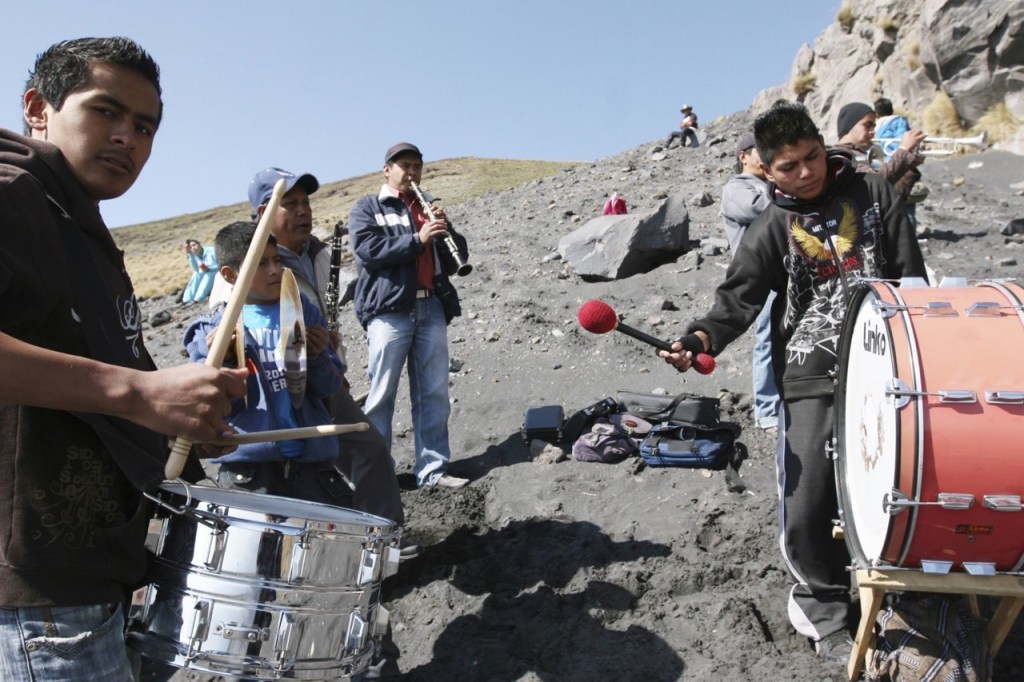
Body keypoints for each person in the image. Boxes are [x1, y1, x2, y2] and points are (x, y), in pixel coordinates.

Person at [0, 37, 247, 681]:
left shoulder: (78, 224)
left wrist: (172, 417)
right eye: (104, 111)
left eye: (144, 126)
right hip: (38, 597)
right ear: (37, 107)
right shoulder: (10, 193)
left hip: (87, 578)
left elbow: (80, 389)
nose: (127, 138)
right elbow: (116, 390)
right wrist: (138, 394)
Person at [660, 101, 926, 665]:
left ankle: (903, 594)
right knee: (806, 504)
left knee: (898, 489)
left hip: (890, 370)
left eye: (811, 158)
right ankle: (825, 611)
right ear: (765, 168)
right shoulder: (769, 227)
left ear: (820, 146)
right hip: (810, 377)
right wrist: (701, 339)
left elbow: (911, 276)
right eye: (788, 167)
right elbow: (737, 300)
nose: (805, 173)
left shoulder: (875, 193)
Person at [245, 168, 406, 527]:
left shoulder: (317, 253)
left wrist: (331, 360)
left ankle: (378, 541)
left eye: (306, 202)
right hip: (275, 397)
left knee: (368, 452)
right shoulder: (246, 261)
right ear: (263, 214)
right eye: (291, 204)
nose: (304, 211)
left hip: (323, 380)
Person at [348, 142, 470, 489]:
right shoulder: (367, 207)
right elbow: (368, 250)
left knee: (433, 392)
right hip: (389, 311)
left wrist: (447, 232)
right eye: (405, 165)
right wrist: (417, 239)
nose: (412, 172)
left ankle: (433, 470)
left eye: (417, 166)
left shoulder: (427, 206)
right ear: (387, 169)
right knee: (382, 393)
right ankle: (376, 476)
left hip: (431, 305)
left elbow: (453, 257)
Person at [719, 133, 779, 432]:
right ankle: (768, 411)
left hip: (785, 274)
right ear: (744, 155)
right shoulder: (737, 188)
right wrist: (784, 185)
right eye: (762, 151)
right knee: (768, 340)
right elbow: (759, 209)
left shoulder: (769, 185)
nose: (768, 156)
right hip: (759, 277)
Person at [834, 100, 927, 228]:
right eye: (868, 125)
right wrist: (904, 150)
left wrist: (910, 164)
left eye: (874, 126)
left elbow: (890, 190)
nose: (873, 131)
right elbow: (877, 182)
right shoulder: (840, 156)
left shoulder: (872, 152)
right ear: (850, 125)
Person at [180, 238, 217, 303]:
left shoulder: (211, 251)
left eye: (194, 245)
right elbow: (196, 269)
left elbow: (221, 264)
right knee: (196, 274)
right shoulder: (193, 256)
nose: (193, 248)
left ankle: (198, 299)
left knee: (209, 274)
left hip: (217, 271)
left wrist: (209, 268)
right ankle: (187, 299)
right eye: (190, 247)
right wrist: (189, 254)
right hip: (207, 271)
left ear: (199, 244)